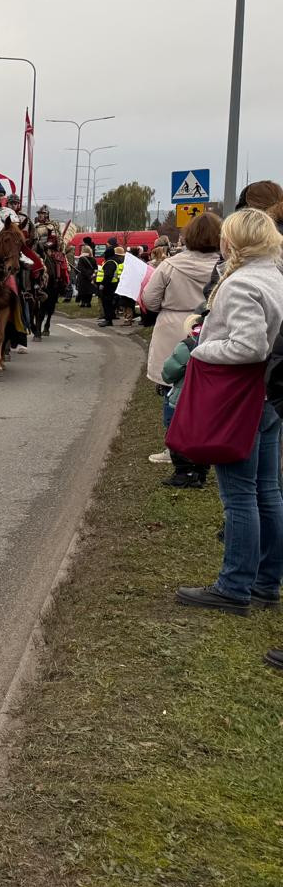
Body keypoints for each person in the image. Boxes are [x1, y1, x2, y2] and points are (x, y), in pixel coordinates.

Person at [175, 209, 283, 616]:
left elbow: (249, 346)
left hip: (240, 395)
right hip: (268, 395)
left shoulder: (241, 284)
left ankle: (235, 586)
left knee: (239, 495)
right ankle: (266, 582)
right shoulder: (275, 275)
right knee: (267, 491)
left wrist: (201, 347)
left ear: (234, 242)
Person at [142, 212, 222, 465]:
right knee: (206, 391)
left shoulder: (170, 265)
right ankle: (207, 443)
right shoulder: (225, 266)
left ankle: (173, 447)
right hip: (210, 327)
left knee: (171, 389)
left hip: (173, 328)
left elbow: (150, 299)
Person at [160, 315, 208, 490]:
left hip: (183, 399)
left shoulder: (188, 346)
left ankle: (183, 473)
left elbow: (169, 372)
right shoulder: (216, 344)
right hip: (207, 401)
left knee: (177, 435)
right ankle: (200, 473)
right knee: (202, 437)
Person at [35, 234, 70, 336]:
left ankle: (60, 283)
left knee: (59, 264)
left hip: (49, 251)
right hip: (37, 251)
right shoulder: (35, 228)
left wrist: (46, 245)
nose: (41, 216)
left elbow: (55, 241)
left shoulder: (51, 228)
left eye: (43, 215)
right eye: (40, 216)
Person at [96, 242, 123, 326]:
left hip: (109, 286)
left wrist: (102, 284)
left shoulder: (110, 262)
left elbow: (108, 275)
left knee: (106, 303)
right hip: (113, 284)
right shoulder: (113, 261)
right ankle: (109, 318)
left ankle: (108, 320)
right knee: (109, 303)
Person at [75, 244, 97, 310]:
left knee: (83, 290)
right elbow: (95, 268)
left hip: (83, 277)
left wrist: (87, 275)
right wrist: (92, 275)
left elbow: (81, 268)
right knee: (89, 291)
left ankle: (83, 302)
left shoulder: (81, 259)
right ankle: (88, 303)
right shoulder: (93, 259)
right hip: (91, 277)